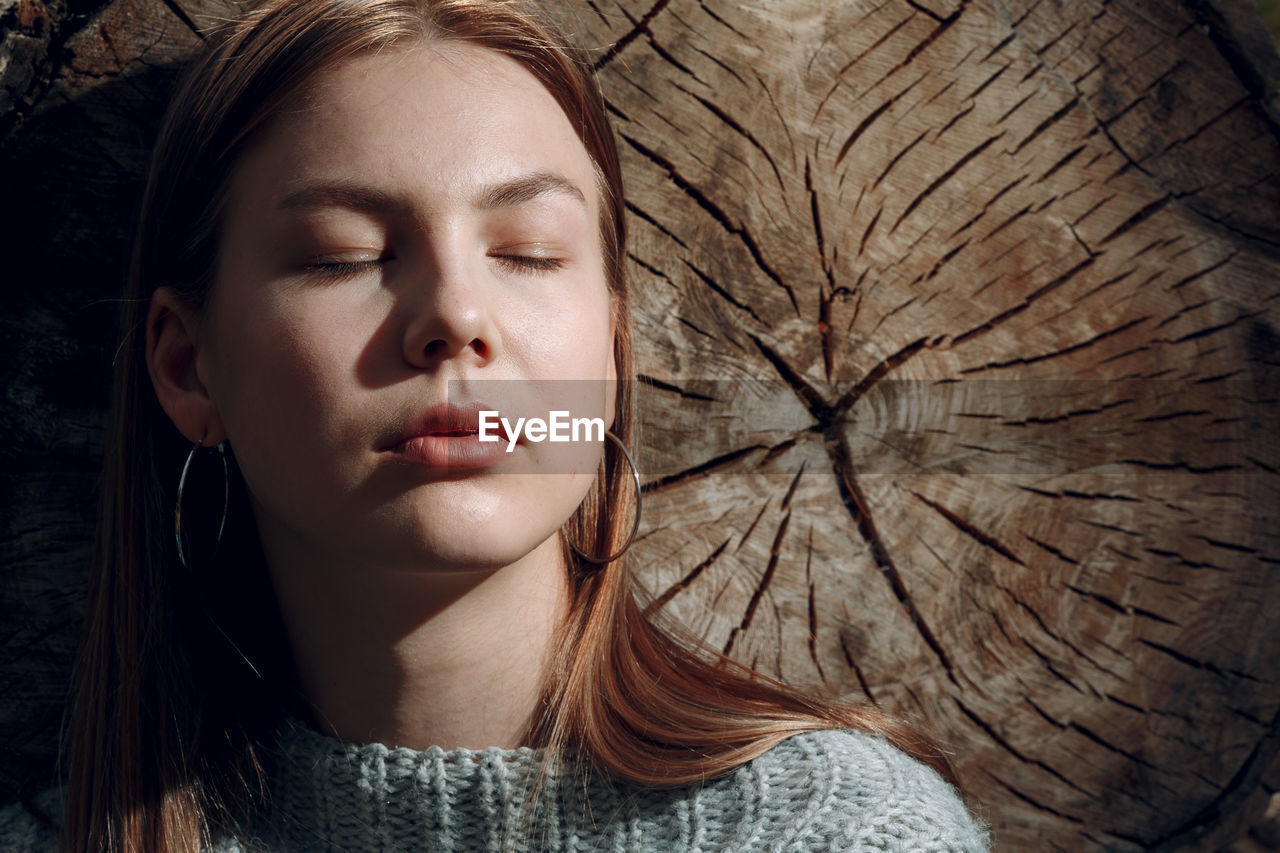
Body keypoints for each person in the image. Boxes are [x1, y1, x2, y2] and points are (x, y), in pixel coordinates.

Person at [0, 1, 990, 850]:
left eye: (525, 251)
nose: (455, 319)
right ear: (186, 365)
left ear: (607, 351)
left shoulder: (844, 833)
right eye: (344, 254)